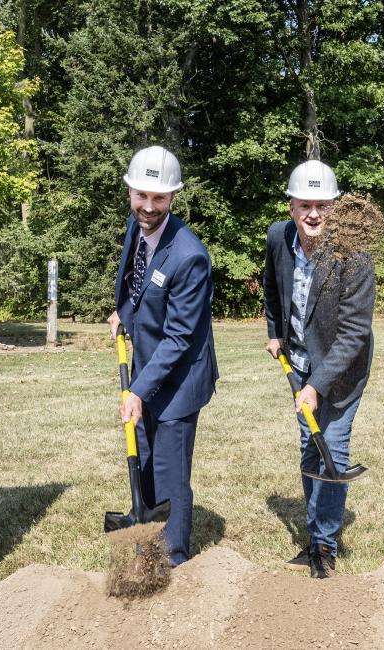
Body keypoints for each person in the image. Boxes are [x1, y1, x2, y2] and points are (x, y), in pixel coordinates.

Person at [263, 160, 375, 579]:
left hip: (343, 369)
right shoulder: (279, 237)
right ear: (291, 205)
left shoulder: (355, 255)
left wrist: (317, 386)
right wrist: (275, 332)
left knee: (332, 448)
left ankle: (324, 545)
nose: (313, 214)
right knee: (310, 448)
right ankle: (315, 536)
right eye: (304, 204)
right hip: (300, 362)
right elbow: (273, 286)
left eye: (322, 206)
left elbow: (354, 332)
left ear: (335, 207)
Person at [107, 145, 218, 566]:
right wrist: (124, 311)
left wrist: (137, 390)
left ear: (173, 198)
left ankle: (174, 560)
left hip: (179, 380)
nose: (149, 207)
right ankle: (147, 542)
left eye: (159, 198)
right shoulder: (137, 228)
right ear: (131, 192)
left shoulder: (190, 257)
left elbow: (180, 338)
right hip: (148, 369)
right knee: (145, 459)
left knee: (170, 473)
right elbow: (137, 282)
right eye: (142, 196)